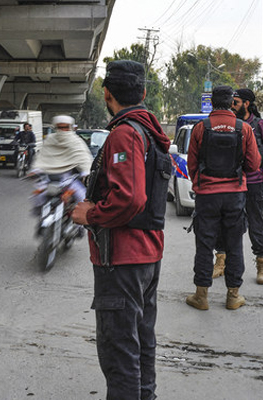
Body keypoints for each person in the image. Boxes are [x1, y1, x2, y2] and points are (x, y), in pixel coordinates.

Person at [72, 59, 171, 400]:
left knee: (119, 352)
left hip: (122, 260)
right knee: (141, 342)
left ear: (107, 95)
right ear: (142, 93)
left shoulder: (125, 133)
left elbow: (130, 199)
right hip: (146, 256)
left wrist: (91, 214)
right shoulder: (150, 133)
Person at [185, 85, 261, 311]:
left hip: (206, 196)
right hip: (235, 196)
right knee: (234, 244)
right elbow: (254, 165)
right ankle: (233, 296)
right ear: (231, 103)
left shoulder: (201, 128)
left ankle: (201, 296)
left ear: (210, 102)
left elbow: (192, 164)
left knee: (204, 245)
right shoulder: (244, 128)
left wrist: (202, 182)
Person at [212, 89, 263, 285]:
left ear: (247, 104)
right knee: (224, 224)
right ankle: (221, 261)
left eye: (236, 102)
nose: (232, 106)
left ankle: (261, 263)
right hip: (230, 183)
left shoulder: (262, 126)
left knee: (256, 225)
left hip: (254, 184)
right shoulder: (230, 125)